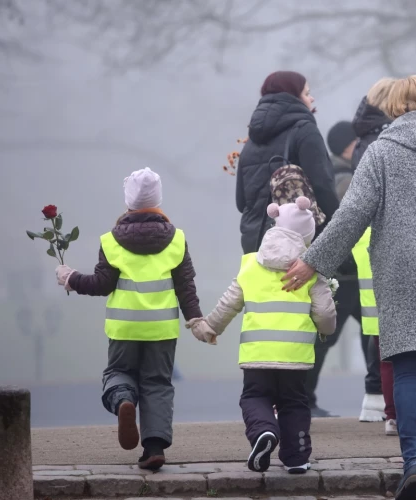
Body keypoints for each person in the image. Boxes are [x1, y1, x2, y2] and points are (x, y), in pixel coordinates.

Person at [279, 75, 416, 500]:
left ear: (395, 106)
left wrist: (313, 260)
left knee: (408, 362)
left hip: (399, 263)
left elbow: (353, 214)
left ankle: (414, 458)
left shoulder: (380, 152)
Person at [54, 167, 202, 470]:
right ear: (158, 201)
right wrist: (197, 320)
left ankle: (124, 400)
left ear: (128, 202)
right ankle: (154, 448)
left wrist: (70, 278)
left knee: (119, 373)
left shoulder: (111, 241)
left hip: (124, 328)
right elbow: (185, 287)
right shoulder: (177, 240)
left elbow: (101, 284)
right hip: (161, 330)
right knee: (158, 384)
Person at [189, 197, 336, 473]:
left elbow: (228, 304)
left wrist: (209, 328)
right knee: (294, 402)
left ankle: (263, 433)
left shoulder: (251, 266)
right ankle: (297, 457)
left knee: (254, 398)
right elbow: (326, 315)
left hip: (257, 355)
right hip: (294, 356)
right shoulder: (309, 271)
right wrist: (325, 330)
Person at [318, 118, 384, 422]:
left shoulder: (332, 172)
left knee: (358, 333)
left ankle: (374, 395)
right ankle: (375, 395)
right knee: (369, 331)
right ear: (348, 145)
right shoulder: (346, 178)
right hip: (349, 271)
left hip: (343, 270)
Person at [236, 70, 339, 254]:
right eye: (307, 93)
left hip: (255, 248)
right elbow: (323, 188)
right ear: (293, 96)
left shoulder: (250, 142)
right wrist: (341, 230)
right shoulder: (305, 131)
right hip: (297, 246)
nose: (312, 98)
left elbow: (241, 202)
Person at [348, 78, 398, 423]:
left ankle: (377, 400)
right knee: (390, 329)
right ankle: (386, 403)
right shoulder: (384, 143)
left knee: (376, 325)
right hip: (388, 237)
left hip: (368, 240)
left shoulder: (365, 143)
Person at [351, 227, 398, 435]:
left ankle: (392, 417)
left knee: (386, 364)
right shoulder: (399, 227)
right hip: (407, 310)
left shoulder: (362, 236)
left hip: (376, 317)